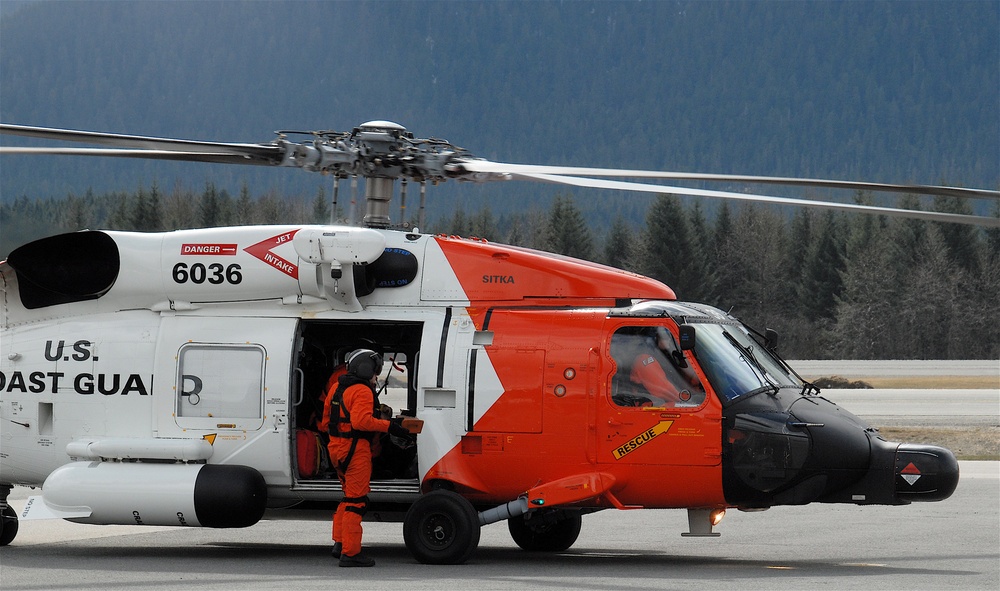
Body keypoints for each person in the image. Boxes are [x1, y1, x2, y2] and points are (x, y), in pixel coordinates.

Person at [326, 348, 411, 567]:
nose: (376, 377)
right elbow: (361, 422)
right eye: (375, 372)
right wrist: (391, 426)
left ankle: (339, 543)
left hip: (336, 448)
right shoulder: (362, 391)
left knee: (347, 497)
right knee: (357, 501)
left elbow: (328, 419)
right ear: (365, 369)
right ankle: (351, 553)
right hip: (356, 451)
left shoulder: (337, 387)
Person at [628, 327, 703, 406]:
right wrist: (687, 400)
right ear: (654, 338)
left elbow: (683, 378)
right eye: (664, 336)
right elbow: (663, 390)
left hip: (664, 403)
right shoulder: (645, 359)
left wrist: (697, 391)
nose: (669, 339)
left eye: (670, 336)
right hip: (652, 406)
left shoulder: (666, 356)